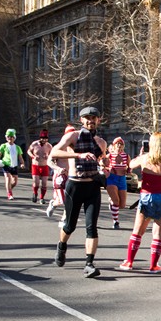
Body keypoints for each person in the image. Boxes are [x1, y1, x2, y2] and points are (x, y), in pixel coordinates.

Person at [117, 132, 161, 273]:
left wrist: (139, 155)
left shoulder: (145, 158)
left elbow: (130, 164)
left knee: (137, 231)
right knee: (158, 233)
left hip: (146, 197)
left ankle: (129, 262)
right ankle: (154, 265)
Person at [49, 108, 107, 278]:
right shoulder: (72, 136)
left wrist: (105, 167)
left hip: (92, 187)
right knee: (70, 225)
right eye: (87, 118)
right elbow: (54, 152)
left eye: (93, 118)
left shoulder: (101, 142)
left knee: (92, 227)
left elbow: (101, 160)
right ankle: (61, 246)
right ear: (81, 120)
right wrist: (78, 155)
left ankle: (89, 263)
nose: (90, 121)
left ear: (98, 120)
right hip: (75, 186)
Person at [45, 124, 76, 225]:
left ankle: (64, 219)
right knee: (61, 201)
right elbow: (49, 162)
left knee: (70, 200)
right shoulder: (58, 148)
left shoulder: (77, 148)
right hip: (60, 177)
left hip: (72, 177)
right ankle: (53, 203)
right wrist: (57, 168)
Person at [104, 136, 130, 229]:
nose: (119, 146)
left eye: (121, 144)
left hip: (122, 179)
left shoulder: (126, 156)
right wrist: (107, 170)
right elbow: (101, 164)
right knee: (116, 201)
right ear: (114, 146)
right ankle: (115, 221)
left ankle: (111, 203)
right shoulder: (110, 156)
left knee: (122, 205)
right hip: (112, 178)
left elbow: (129, 167)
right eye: (117, 144)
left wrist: (128, 170)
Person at [0, 129, 25, 200]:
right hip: (5, 164)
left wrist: (22, 163)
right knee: (8, 178)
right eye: (8, 137)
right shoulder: (3, 146)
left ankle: (9, 188)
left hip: (14, 165)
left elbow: (20, 157)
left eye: (11, 137)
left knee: (15, 182)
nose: (10, 138)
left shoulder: (17, 147)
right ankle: (9, 194)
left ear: (14, 138)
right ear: (6, 138)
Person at [27, 130, 52, 204]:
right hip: (35, 166)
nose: (44, 140)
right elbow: (28, 151)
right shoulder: (34, 144)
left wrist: (48, 156)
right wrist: (33, 156)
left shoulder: (49, 146)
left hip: (45, 166)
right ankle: (35, 193)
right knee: (36, 182)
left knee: (44, 183)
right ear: (40, 138)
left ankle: (42, 198)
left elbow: (53, 155)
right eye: (43, 138)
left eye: (46, 138)